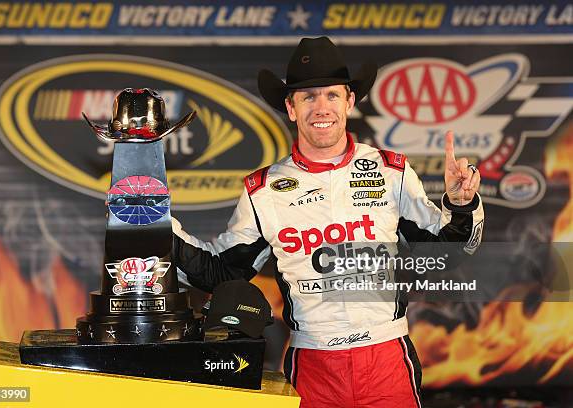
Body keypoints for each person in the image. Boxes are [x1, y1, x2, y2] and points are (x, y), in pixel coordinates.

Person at [172, 37, 483, 407]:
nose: (322, 108)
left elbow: (447, 254)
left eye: (332, 95)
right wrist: (153, 228)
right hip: (312, 364)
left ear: (349, 101)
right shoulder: (264, 190)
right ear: (290, 107)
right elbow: (222, 273)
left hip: (385, 358)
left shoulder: (390, 171)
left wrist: (461, 205)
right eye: (308, 96)